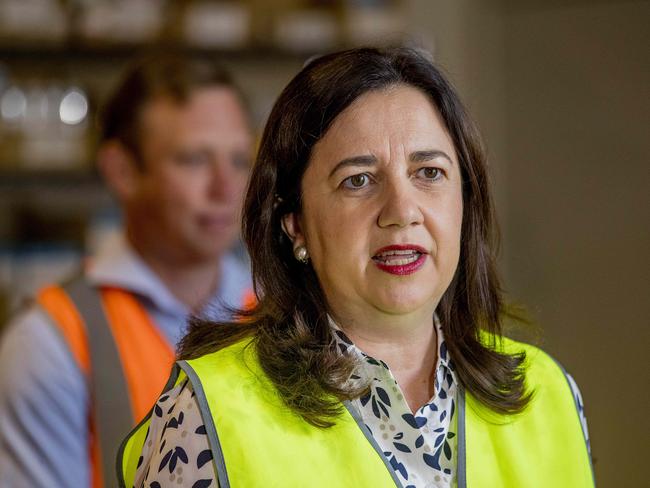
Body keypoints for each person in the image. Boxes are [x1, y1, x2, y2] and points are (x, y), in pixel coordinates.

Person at [119, 47, 594, 488]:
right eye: (358, 180)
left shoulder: (549, 393)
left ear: (464, 203)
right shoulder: (206, 416)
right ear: (295, 223)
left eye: (429, 172)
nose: (402, 210)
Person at [0, 57, 254, 487]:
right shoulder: (51, 341)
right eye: (194, 160)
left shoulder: (279, 311)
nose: (225, 188)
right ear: (122, 172)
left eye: (239, 159)